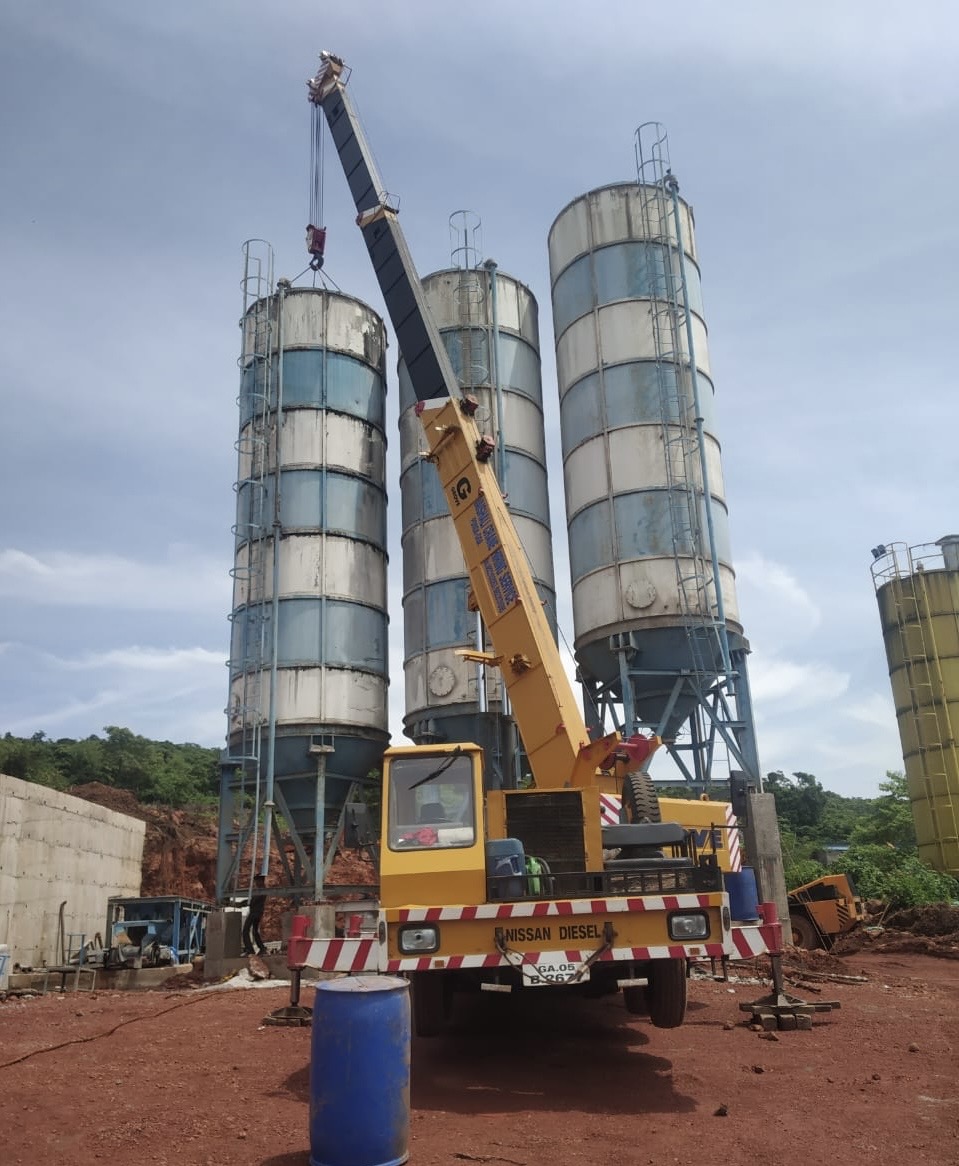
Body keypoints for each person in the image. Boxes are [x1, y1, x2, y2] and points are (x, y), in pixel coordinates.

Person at [241, 874, 268, 956]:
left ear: (260, 881)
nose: (255, 883)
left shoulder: (261, 891)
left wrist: (242, 904)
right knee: (255, 931)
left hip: (254, 913)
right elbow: (252, 900)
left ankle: (250, 950)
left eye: (256, 881)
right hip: (258, 913)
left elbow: (252, 901)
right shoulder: (262, 890)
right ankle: (262, 949)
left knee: (245, 930)